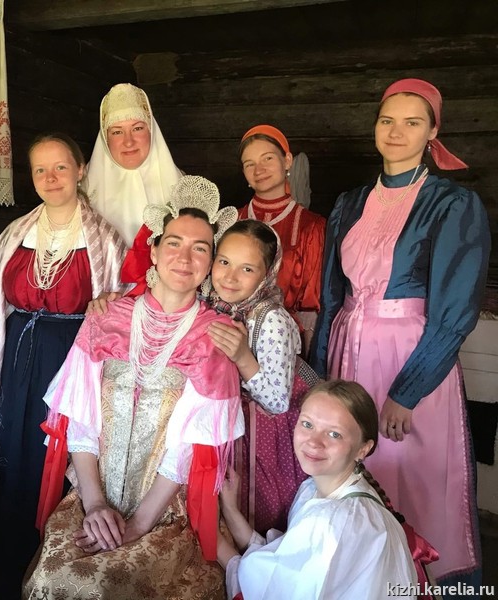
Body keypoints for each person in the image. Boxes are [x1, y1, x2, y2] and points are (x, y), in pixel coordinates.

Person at [310, 78, 490, 592]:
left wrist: (408, 391)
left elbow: (455, 310)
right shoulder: (349, 203)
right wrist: (320, 379)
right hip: (348, 351)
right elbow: (331, 296)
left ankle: (415, 583)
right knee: (349, 468)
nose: (396, 131)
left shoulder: (451, 204)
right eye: (387, 120)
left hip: (409, 359)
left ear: (433, 132)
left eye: (412, 122)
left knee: (406, 470)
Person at [25, 176, 241, 600]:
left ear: (211, 263)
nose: (185, 257)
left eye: (201, 248)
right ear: (154, 252)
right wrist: (94, 504)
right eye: (174, 243)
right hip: (92, 495)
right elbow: (80, 421)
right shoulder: (107, 317)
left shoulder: (215, 336)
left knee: (108, 584)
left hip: (167, 511)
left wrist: (139, 524)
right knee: (54, 579)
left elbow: (189, 450)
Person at [0, 132, 127, 598]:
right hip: (16, 357)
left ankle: (54, 561)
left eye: (60, 167)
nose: (51, 178)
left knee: (56, 447)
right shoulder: (16, 233)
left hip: (70, 358)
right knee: (14, 446)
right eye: (40, 169)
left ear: (80, 170)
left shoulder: (105, 240)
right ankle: (8, 558)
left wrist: (108, 306)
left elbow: (121, 302)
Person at [218, 380, 418, 600]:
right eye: (307, 424)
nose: (314, 442)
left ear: (363, 449)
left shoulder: (334, 521)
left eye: (334, 434)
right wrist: (230, 509)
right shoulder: (314, 487)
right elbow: (285, 560)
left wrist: (216, 545)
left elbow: (270, 590)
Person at [206, 219, 315, 532]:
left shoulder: (271, 319)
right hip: (226, 424)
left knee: (258, 507)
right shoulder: (213, 305)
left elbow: (278, 402)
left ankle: (255, 554)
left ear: (267, 274)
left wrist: (243, 357)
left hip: (264, 439)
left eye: (247, 269)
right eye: (224, 262)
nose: (230, 276)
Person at [84, 83, 183, 295]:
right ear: (105, 138)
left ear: (151, 130)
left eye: (137, 128)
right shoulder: (83, 191)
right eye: (117, 132)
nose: (128, 142)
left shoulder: (182, 186)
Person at [238, 125, 325, 354]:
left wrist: (306, 358)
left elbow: (310, 305)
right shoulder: (232, 220)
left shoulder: (311, 226)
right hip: (233, 335)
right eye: (249, 164)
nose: (259, 169)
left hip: (285, 342)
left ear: (287, 161)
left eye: (267, 158)